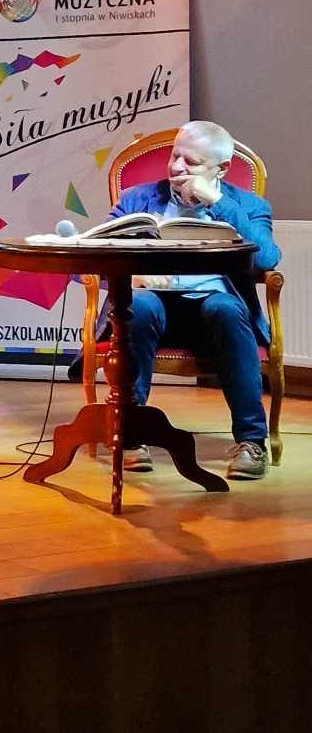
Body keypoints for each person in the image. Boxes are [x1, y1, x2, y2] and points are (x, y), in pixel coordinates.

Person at [108, 120, 279, 480]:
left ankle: (252, 442)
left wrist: (217, 202)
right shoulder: (138, 199)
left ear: (221, 169)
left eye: (191, 162)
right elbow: (93, 256)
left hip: (214, 313)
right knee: (139, 305)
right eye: (175, 156)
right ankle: (130, 433)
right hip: (153, 309)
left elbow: (266, 259)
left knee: (226, 308)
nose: (177, 167)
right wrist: (131, 275)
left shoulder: (248, 205)